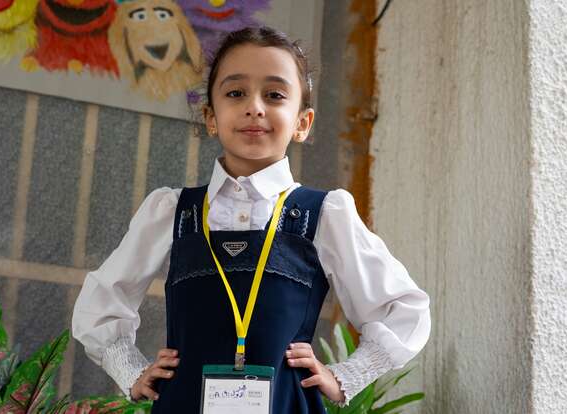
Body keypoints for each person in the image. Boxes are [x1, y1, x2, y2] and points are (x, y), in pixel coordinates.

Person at [72, 27, 431, 413]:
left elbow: (404, 309)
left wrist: (346, 376)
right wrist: (130, 370)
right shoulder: (173, 212)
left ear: (302, 123)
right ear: (211, 117)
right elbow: (101, 302)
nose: (254, 107)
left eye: (275, 95)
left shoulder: (325, 214)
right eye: (235, 93)